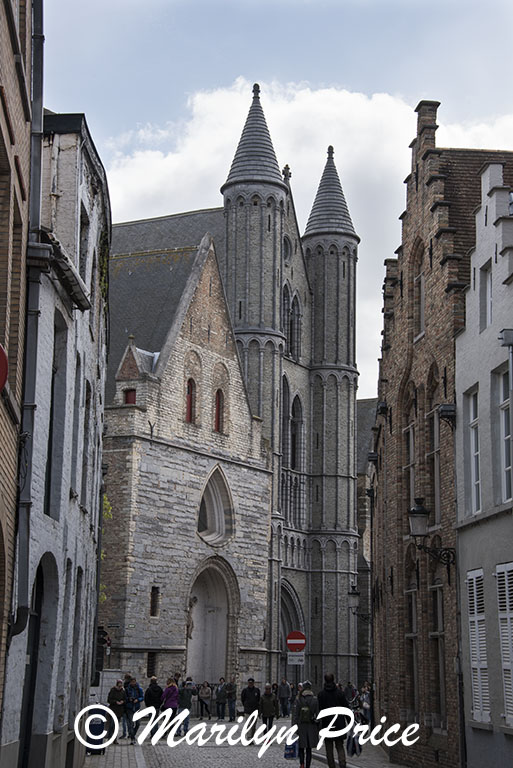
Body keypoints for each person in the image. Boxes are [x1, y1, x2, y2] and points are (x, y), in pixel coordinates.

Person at [318, 673, 350, 768]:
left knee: (329, 747)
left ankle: (331, 765)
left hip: (327, 724)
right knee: (340, 746)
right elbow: (346, 708)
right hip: (339, 723)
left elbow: (319, 710)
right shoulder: (340, 693)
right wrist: (349, 721)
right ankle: (342, 763)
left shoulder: (321, 694)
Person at [292, 681, 318, 768]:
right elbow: (318, 715)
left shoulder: (299, 699)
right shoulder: (315, 700)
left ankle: (302, 763)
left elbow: (296, 714)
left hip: (301, 725)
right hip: (311, 726)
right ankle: (308, 766)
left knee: (301, 746)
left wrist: (294, 726)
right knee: (309, 748)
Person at [125, 677, 144, 745]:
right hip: (129, 708)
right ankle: (132, 738)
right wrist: (129, 699)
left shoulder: (139, 689)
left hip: (136, 707)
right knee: (131, 723)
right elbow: (125, 698)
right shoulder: (127, 689)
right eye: (132, 682)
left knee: (138, 723)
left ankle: (133, 734)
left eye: (134, 682)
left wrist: (138, 700)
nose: (133, 683)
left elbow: (142, 697)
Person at [241, 677, 260, 741]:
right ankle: (249, 738)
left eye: (251, 683)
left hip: (255, 710)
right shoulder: (245, 690)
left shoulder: (257, 690)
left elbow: (258, 699)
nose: (250, 684)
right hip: (248, 710)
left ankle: (252, 736)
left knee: (253, 725)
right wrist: (246, 705)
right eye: (249, 683)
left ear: (253, 683)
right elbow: (242, 699)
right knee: (249, 724)